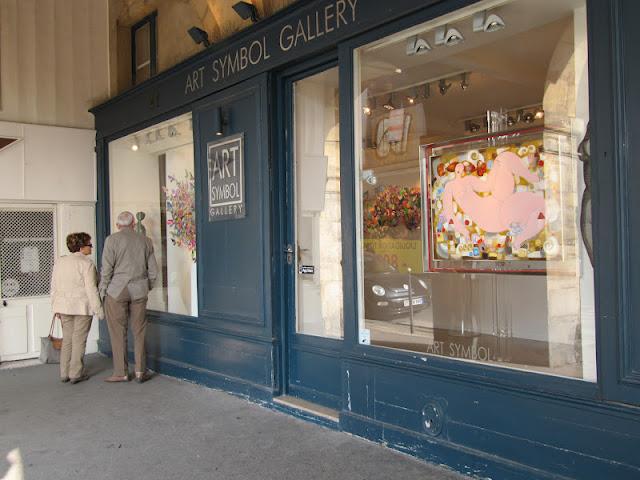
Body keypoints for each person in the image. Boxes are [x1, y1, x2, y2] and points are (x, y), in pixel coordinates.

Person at [99, 211, 158, 383]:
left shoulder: (112, 240)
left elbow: (107, 269)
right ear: (133, 224)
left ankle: (121, 372)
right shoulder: (145, 241)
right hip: (139, 289)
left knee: (118, 331)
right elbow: (153, 270)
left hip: (117, 290)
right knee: (139, 330)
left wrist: (103, 289)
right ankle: (140, 371)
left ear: (118, 225)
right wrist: (148, 286)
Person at [51, 232, 104, 384]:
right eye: (89, 245)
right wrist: (99, 310)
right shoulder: (86, 264)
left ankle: (64, 372)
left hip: (63, 306)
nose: (91, 248)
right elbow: (91, 289)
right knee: (79, 340)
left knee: (67, 338)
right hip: (82, 306)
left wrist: (55, 307)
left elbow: (53, 287)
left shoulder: (60, 262)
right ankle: (76, 373)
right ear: (81, 247)